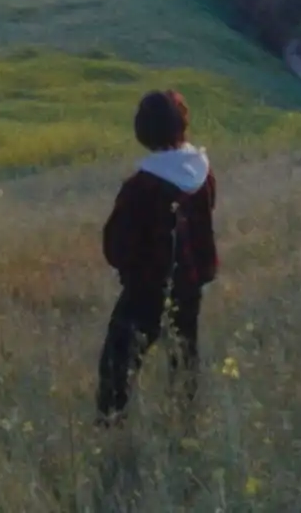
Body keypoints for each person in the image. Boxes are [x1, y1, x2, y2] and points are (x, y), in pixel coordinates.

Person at [95, 90, 219, 424]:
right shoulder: (203, 172)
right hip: (190, 286)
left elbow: (117, 246)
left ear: (144, 132)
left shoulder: (141, 186)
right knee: (184, 357)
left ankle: (111, 425)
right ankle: (185, 425)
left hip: (145, 289)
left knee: (118, 362)